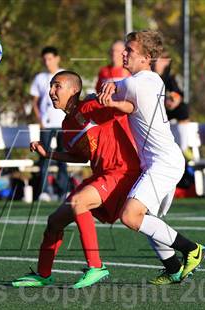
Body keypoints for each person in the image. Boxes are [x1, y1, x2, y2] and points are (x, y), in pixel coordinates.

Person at [12, 71, 140, 288]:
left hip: (122, 172)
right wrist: (48, 154)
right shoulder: (67, 124)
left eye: (57, 86)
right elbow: (81, 157)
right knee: (54, 221)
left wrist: (108, 98)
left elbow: (129, 107)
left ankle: (96, 267)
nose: (51, 91)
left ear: (74, 90)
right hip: (102, 175)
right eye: (51, 87)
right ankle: (43, 275)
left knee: (79, 202)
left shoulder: (91, 107)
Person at [99, 30, 205, 285]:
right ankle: (172, 268)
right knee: (145, 219)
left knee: (131, 216)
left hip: (164, 163)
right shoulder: (153, 80)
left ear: (147, 57)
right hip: (162, 160)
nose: (124, 54)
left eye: (130, 51)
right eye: (124, 48)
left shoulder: (137, 82)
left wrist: (107, 90)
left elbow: (121, 90)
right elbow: (130, 105)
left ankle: (192, 249)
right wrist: (114, 99)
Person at [30, 46, 68, 201]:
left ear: (57, 58)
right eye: (45, 59)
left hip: (63, 124)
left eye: (50, 58)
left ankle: (63, 190)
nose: (47, 62)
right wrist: (40, 121)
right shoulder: (40, 78)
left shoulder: (66, 75)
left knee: (63, 158)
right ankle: (44, 191)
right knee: (44, 157)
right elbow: (34, 102)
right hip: (46, 125)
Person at [154, 51, 191, 159]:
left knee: (182, 108)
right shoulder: (149, 76)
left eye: (162, 60)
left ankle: (184, 147)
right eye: (157, 59)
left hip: (166, 111)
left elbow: (177, 95)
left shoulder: (171, 78)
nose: (158, 62)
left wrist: (172, 100)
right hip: (153, 112)